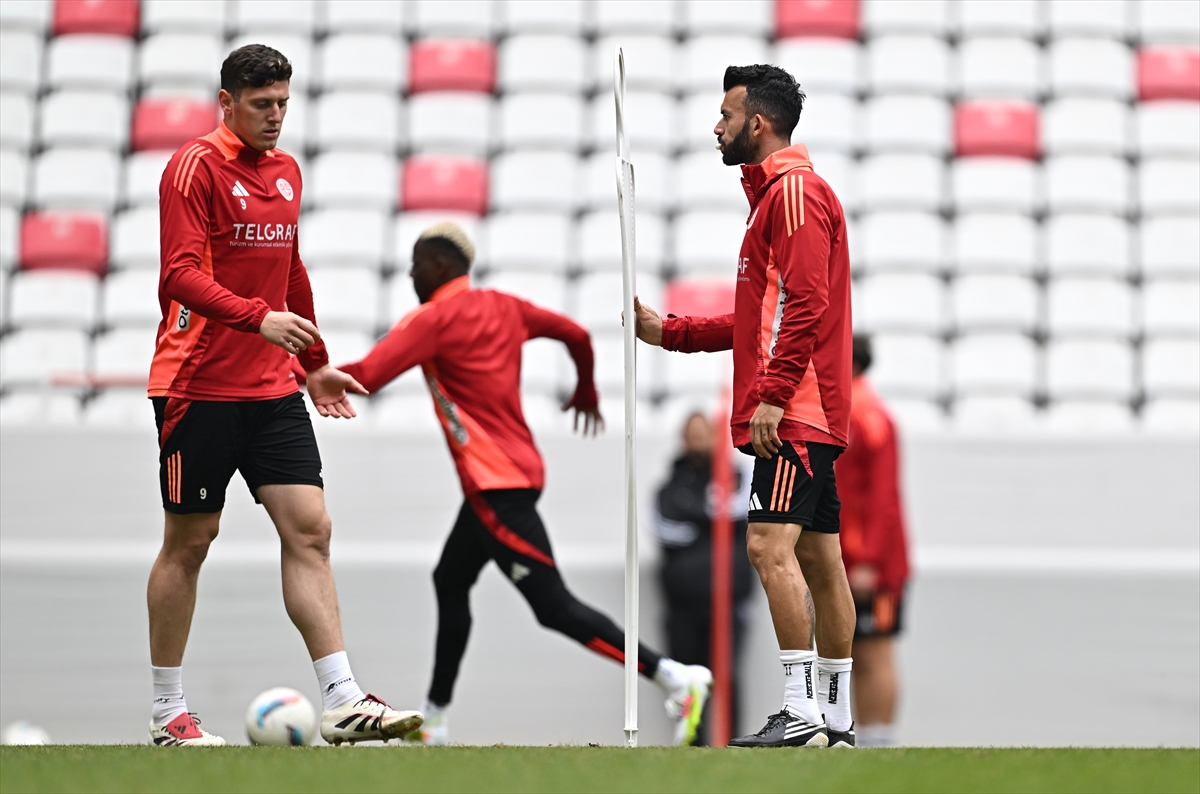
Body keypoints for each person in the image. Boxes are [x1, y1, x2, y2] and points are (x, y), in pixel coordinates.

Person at [336, 222, 712, 746]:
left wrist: (291, 370)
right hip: (512, 478)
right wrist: (585, 389)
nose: (410, 274)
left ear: (440, 266)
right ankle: (434, 720)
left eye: (416, 264)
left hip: (496, 487)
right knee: (450, 580)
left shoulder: (433, 319)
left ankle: (674, 676)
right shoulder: (505, 306)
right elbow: (577, 334)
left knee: (552, 606)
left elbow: (366, 375)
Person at [145, 44, 421, 747]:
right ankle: (168, 712)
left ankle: (342, 699)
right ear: (227, 102)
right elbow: (177, 274)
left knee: (311, 528)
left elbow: (289, 268)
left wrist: (315, 364)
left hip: (271, 387)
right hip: (197, 386)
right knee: (191, 542)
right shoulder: (194, 167)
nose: (275, 116)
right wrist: (256, 317)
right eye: (262, 103)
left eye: (283, 104)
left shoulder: (286, 171)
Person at [633, 64, 857, 748]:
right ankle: (836, 718)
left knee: (765, 546)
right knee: (820, 563)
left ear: (756, 123)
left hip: (794, 412)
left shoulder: (793, 193)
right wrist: (670, 332)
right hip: (808, 410)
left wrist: (773, 395)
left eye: (726, 115)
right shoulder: (780, 198)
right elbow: (756, 317)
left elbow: (807, 304)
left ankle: (801, 712)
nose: (717, 127)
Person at [654, 412, 755, 745]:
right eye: (691, 434)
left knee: (727, 675)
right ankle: (692, 744)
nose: (697, 440)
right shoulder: (669, 487)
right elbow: (666, 530)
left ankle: (734, 743)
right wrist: (712, 517)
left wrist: (696, 516)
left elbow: (741, 513)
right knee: (686, 678)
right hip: (682, 603)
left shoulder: (736, 477)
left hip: (728, 598)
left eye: (703, 433)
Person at [836, 336, 910, 748]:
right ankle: (864, 738)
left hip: (872, 565)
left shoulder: (871, 418)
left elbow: (885, 498)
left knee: (873, 651)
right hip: (848, 560)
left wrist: (869, 561)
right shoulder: (848, 414)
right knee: (852, 651)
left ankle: (880, 739)